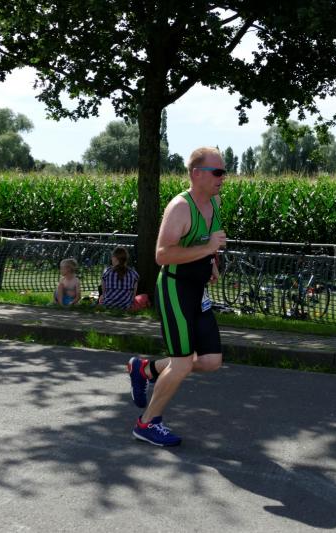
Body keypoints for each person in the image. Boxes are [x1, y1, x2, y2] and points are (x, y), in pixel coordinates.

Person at [127, 146, 227, 446]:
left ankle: (145, 369)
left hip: (198, 290)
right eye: (217, 172)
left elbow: (209, 243)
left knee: (211, 361)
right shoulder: (181, 208)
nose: (223, 177)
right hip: (175, 288)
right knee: (181, 364)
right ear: (196, 174)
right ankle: (147, 423)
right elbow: (162, 254)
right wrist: (208, 249)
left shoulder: (215, 202)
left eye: (224, 172)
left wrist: (212, 263)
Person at [99, 247, 149, 311]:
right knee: (144, 296)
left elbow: (104, 292)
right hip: (126, 306)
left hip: (108, 304)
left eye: (112, 257)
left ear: (115, 258)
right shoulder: (133, 273)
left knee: (101, 297)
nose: (111, 259)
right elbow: (133, 294)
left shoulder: (106, 271)